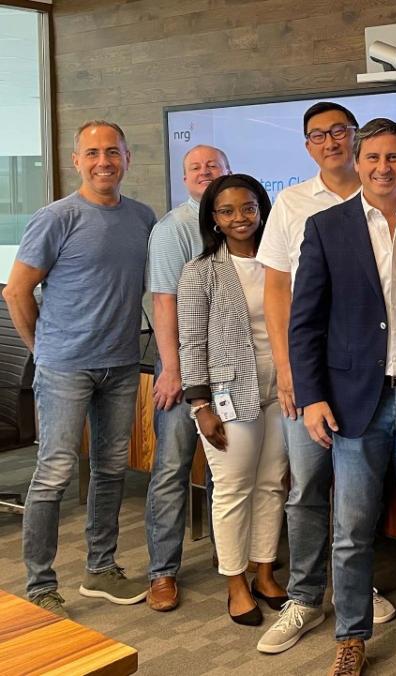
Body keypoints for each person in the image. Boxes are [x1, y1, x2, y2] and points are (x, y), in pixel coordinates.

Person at [290, 118, 396, 675]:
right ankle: (351, 634)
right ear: (357, 163)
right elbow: (305, 323)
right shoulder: (325, 227)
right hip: (356, 401)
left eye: (394, 157)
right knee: (353, 528)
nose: (384, 167)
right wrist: (311, 396)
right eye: (373, 158)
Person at [255, 101, 396, 654]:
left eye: (340, 131)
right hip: (312, 377)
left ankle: (356, 589)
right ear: (308, 145)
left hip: (372, 376)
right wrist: (291, 373)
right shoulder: (292, 204)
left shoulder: (393, 196)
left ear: (357, 140)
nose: (330, 141)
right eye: (318, 135)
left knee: (361, 494)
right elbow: (277, 292)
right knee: (309, 488)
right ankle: (306, 598)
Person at [3, 120, 156, 617]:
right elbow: (16, 291)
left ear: (128, 157)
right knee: (55, 473)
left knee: (111, 469)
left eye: (112, 151)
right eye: (92, 153)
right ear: (77, 161)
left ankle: (100, 567)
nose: (103, 161)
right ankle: (41, 582)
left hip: (120, 365)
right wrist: (42, 348)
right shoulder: (57, 217)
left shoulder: (142, 217)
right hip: (65, 367)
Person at [177, 174, 288, 626]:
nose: (239, 217)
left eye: (247, 207)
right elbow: (192, 343)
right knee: (232, 489)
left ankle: (265, 573)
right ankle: (235, 583)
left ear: (262, 209)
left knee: (272, 484)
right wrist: (199, 406)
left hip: (283, 390)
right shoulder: (199, 271)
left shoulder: (281, 261)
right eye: (227, 211)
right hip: (228, 395)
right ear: (214, 220)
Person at [144, 143, 231, 611]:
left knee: (226, 466)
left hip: (230, 369)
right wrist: (173, 370)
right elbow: (163, 301)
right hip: (181, 367)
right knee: (173, 468)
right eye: (195, 167)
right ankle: (162, 572)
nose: (205, 172)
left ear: (229, 172)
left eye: (213, 166)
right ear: (185, 180)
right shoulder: (173, 229)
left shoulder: (236, 220)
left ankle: (230, 559)